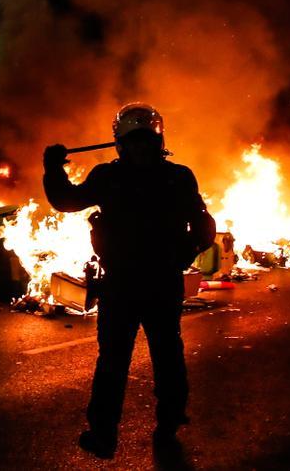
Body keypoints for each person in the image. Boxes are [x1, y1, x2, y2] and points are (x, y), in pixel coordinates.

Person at [42, 103, 215, 459]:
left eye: (144, 142)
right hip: (139, 284)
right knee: (144, 358)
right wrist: (54, 169)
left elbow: (66, 199)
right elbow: (66, 200)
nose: (139, 149)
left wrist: (53, 168)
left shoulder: (121, 177)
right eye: (134, 143)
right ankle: (131, 428)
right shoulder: (172, 176)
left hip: (137, 284)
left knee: (136, 360)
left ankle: (130, 428)